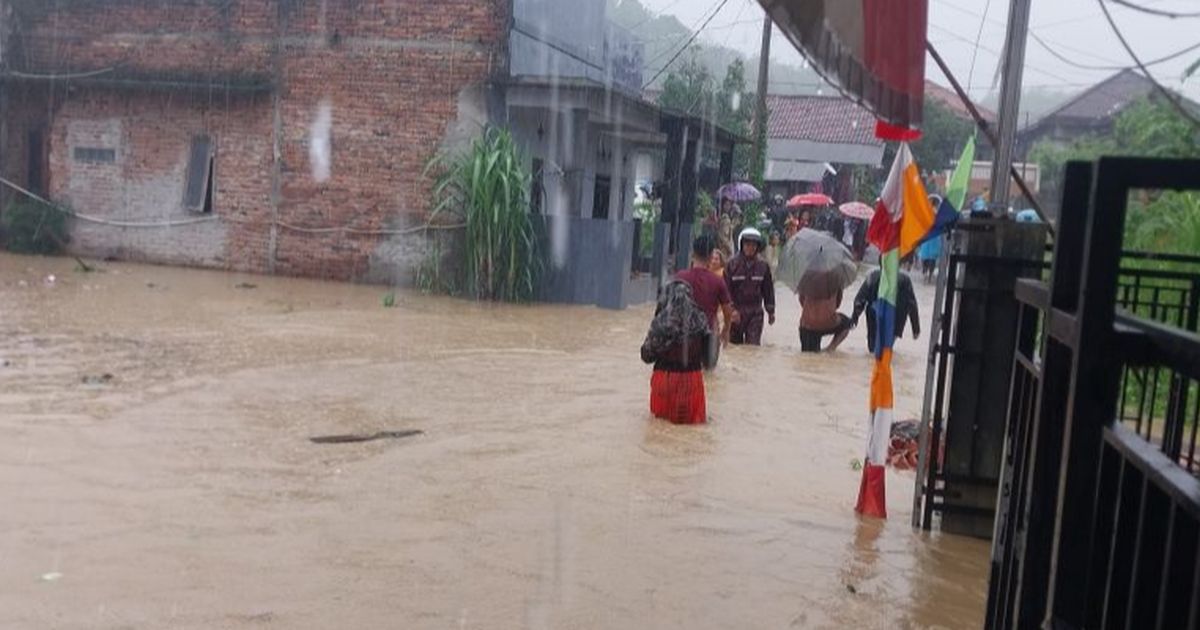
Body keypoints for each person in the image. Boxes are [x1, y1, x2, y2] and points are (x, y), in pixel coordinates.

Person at [640, 281, 711, 424]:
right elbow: (709, 358)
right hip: (692, 381)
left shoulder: (662, 322)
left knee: (660, 428)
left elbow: (646, 356)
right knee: (693, 428)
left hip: (665, 380)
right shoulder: (701, 319)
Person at [676, 234, 737, 367]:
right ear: (710, 256)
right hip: (709, 335)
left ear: (693, 254)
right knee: (709, 377)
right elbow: (727, 311)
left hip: (684, 335)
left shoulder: (680, 277)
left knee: (685, 373)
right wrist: (726, 330)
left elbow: (670, 308)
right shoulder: (718, 281)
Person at [724, 228, 776, 346]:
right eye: (747, 244)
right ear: (741, 245)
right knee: (734, 348)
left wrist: (771, 311)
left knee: (752, 347)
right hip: (736, 311)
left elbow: (768, 290)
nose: (750, 248)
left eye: (754, 245)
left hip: (755, 312)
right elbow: (726, 291)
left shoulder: (763, 266)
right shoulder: (732, 265)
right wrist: (732, 310)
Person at [851, 268, 921, 354]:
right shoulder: (905, 280)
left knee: (873, 348)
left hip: (875, 316)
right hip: (896, 319)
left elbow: (859, 300)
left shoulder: (872, 276)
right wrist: (915, 329)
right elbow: (912, 304)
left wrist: (854, 318)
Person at [797, 271, 852, 353]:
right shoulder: (836, 277)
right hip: (828, 322)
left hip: (807, 325)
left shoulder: (805, 277)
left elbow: (801, 301)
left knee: (808, 357)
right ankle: (830, 348)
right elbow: (837, 304)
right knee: (847, 323)